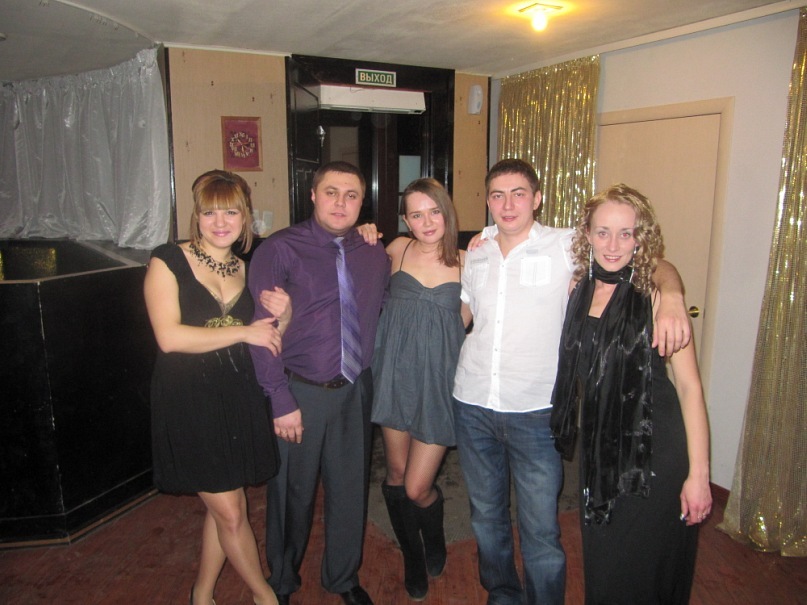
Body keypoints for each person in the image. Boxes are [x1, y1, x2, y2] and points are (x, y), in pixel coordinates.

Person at [453, 159, 691, 605]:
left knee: (540, 529)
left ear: (537, 198)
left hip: (536, 411)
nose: (508, 204)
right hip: (472, 403)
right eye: (498, 195)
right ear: (487, 201)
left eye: (519, 193)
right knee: (485, 516)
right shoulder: (478, 252)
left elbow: (647, 260)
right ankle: (502, 594)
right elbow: (463, 315)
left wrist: (673, 294)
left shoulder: (566, 245)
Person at [551, 183, 712, 604]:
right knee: (605, 566)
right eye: (603, 232)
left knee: (644, 569)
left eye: (626, 233)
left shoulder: (657, 297)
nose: (613, 245)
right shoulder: (578, 288)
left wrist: (698, 475)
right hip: (599, 452)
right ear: (587, 234)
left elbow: (690, 388)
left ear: (642, 237)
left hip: (653, 452)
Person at [144, 169, 289, 605]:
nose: (220, 222)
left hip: (237, 393)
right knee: (230, 511)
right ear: (197, 216)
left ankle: (202, 595)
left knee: (224, 506)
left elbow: (269, 338)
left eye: (230, 212)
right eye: (210, 213)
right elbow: (169, 337)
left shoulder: (248, 266)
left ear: (245, 217)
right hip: (189, 399)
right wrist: (244, 331)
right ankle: (265, 598)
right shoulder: (168, 260)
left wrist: (285, 315)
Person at [248, 161, 390, 605]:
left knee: (350, 491)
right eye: (331, 192)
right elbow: (261, 332)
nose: (340, 203)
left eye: (351, 195)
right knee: (292, 494)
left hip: (355, 389)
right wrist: (279, 399)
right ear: (312, 195)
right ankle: (282, 580)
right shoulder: (280, 249)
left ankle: (343, 578)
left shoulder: (374, 252)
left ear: (362, 202)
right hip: (300, 391)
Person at [370, 178, 472, 600]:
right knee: (396, 476)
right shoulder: (396, 249)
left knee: (417, 486)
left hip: (438, 382)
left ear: (447, 213)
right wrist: (362, 234)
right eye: (416, 214)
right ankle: (413, 557)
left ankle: (434, 538)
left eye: (434, 211)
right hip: (395, 375)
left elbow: (465, 324)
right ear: (406, 220)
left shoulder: (469, 261)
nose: (426, 222)